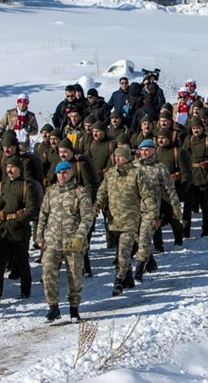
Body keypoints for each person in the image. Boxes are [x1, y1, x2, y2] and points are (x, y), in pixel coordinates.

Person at [38, 160, 95, 322]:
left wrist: (79, 236)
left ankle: (74, 309)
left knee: (75, 277)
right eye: (59, 173)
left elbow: (87, 217)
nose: (62, 176)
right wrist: (39, 237)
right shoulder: (51, 191)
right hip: (52, 241)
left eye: (65, 173)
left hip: (72, 242)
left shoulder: (80, 192)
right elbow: (43, 215)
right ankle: (53, 308)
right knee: (48, 274)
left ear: (71, 173)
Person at [94, 147, 154, 296]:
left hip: (130, 221)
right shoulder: (110, 174)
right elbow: (102, 192)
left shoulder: (136, 173)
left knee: (123, 252)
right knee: (120, 252)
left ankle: (118, 280)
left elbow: (147, 195)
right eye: (115, 156)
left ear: (127, 157)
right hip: (114, 221)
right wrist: (97, 204)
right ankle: (128, 279)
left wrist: (153, 214)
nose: (117, 159)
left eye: (120, 156)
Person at [0, 156, 37, 304]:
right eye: (8, 167)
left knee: (21, 261)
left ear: (19, 169)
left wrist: (20, 221)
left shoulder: (26, 186)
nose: (10, 170)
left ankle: (25, 290)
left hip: (19, 229)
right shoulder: (2, 186)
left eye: (13, 167)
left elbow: (32, 208)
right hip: (3, 228)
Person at [134, 138, 182, 281]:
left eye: (147, 150)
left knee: (145, 238)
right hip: (135, 208)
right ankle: (151, 261)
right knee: (136, 236)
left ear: (153, 150)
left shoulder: (160, 167)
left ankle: (138, 270)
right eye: (142, 150)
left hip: (152, 210)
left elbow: (170, 188)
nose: (144, 153)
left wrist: (175, 205)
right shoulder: (134, 166)